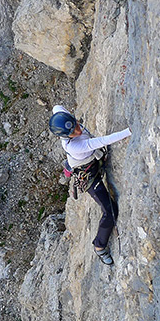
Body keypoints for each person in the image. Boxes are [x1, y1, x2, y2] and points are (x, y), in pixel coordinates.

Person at [49, 105, 131, 265]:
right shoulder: (74, 145)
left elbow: (56, 107)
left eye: (76, 125)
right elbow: (103, 141)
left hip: (91, 161)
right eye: (72, 132)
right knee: (110, 210)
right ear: (65, 136)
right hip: (88, 175)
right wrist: (129, 131)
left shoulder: (63, 118)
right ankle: (99, 246)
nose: (78, 131)